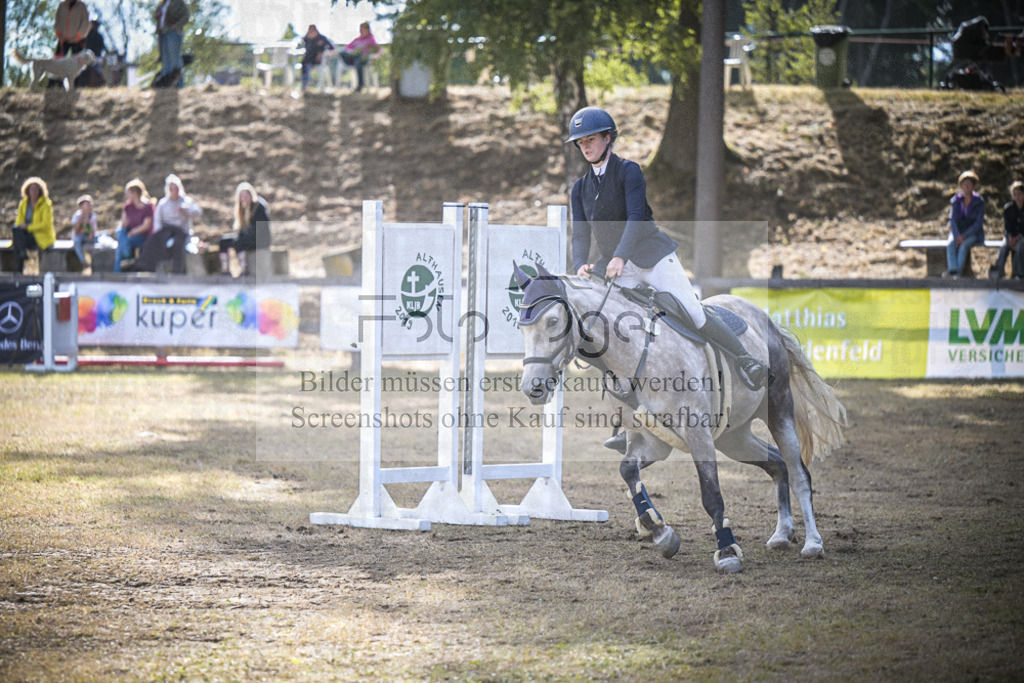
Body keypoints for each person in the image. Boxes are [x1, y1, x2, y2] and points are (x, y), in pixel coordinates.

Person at [564, 107, 770, 451]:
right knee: (609, 331)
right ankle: (623, 419)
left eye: (591, 140)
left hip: (651, 257)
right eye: (581, 142)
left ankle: (745, 360)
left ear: (607, 139)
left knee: (694, 312)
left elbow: (635, 218)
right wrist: (579, 265)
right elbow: (580, 234)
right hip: (614, 265)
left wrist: (620, 256)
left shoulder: (629, 171)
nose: (586, 146)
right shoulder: (579, 189)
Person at [129, 174, 201, 274]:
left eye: (176, 189)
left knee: (177, 246)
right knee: (151, 244)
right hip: (166, 232)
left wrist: (185, 209)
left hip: (182, 233)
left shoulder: (186, 201)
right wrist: (160, 237)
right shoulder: (163, 203)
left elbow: (198, 212)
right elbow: (157, 221)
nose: (174, 192)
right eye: (171, 189)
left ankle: (176, 273)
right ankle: (145, 268)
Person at [218, 182, 271, 276]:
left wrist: (242, 237)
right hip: (249, 237)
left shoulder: (258, 207)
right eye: (242, 195)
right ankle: (225, 269)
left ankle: (243, 269)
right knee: (224, 241)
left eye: (246, 195)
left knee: (239, 243)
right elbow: (243, 229)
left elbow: (257, 230)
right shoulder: (243, 208)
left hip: (258, 241)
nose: (244, 198)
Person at [945, 170, 986, 278]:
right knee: (950, 243)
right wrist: (957, 235)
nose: (966, 186)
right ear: (961, 186)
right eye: (964, 184)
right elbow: (952, 220)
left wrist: (964, 236)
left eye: (969, 184)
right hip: (958, 231)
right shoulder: (955, 201)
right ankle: (952, 270)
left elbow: (978, 223)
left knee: (963, 246)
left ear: (973, 186)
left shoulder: (979, 202)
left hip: (973, 233)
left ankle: (958, 273)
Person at [12, 178, 56, 274]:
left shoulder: (46, 204)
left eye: (36, 189)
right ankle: (20, 269)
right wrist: (22, 226)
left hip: (41, 237)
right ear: (27, 191)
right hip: (26, 237)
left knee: (17, 244)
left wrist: (28, 227)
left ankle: (22, 255)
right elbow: (19, 221)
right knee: (15, 229)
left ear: (40, 191)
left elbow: (45, 224)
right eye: (31, 189)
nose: (34, 192)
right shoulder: (24, 203)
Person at [114, 179, 155, 273]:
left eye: (127, 193)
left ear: (134, 193)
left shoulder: (147, 207)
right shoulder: (128, 206)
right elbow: (124, 224)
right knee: (119, 232)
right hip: (129, 235)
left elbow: (146, 226)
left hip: (142, 236)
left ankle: (117, 273)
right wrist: (125, 212)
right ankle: (127, 256)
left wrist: (132, 232)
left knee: (121, 246)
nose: (126, 195)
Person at [992, 180, 1024, 280]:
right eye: (1015, 195)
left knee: (1020, 246)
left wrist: (1018, 237)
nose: (1017, 197)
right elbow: (1007, 227)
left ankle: (1017, 274)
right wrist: (1009, 237)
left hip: (1022, 237)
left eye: (1019, 194)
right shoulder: (1008, 208)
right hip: (1011, 236)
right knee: (1003, 246)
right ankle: (998, 272)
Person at [154, 0, 189, 88]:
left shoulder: (179, 2)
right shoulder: (162, 3)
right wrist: (157, 15)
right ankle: (166, 86)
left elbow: (186, 16)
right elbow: (156, 15)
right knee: (165, 60)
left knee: (175, 59)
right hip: (162, 33)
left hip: (173, 33)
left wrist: (176, 25)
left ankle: (179, 85)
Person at [341, 22, 379, 91]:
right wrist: (351, 51)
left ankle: (360, 85)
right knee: (342, 52)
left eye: (364, 29)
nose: (362, 31)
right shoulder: (357, 39)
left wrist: (375, 55)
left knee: (358, 60)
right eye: (361, 29)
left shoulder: (370, 39)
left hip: (364, 59)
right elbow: (347, 48)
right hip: (352, 58)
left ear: (368, 29)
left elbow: (377, 50)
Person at [300, 25, 335, 91]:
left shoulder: (322, 38)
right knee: (304, 65)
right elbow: (300, 45)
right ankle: (305, 85)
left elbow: (332, 48)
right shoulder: (307, 38)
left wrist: (323, 53)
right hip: (308, 60)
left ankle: (318, 85)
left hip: (320, 60)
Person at [70, 194, 98, 264]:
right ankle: (83, 261)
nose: (89, 207)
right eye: (87, 205)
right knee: (77, 241)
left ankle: (96, 264)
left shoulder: (93, 217)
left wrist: (89, 223)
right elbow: (76, 231)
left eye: (90, 205)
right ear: (81, 207)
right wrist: (82, 219)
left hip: (89, 237)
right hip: (79, 237)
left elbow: (93, 233)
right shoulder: (77, 216)